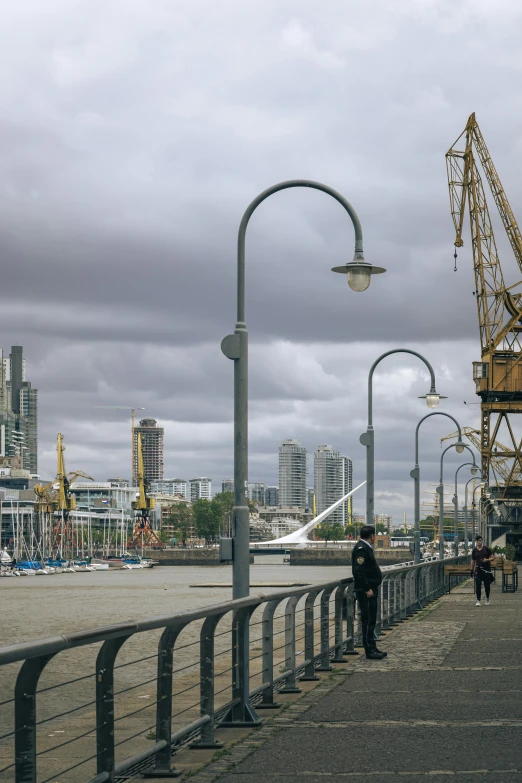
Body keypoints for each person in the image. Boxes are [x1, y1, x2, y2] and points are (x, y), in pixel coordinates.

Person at [352, 525, 387, 660]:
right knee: (367, 620)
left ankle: (372, 646)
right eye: (375, 535)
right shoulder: (362, 549)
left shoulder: (365, 548)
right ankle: (369, 650)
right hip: (366, 591)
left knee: (371, 619)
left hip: (370, 590)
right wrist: (367, 589)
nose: (375, 537)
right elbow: (358, 571)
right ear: (372, 536)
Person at [471, 535, 494, 606]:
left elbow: (492, 558)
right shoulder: (474, 551)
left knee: (487, 585)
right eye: (477, 540)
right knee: (478, 584)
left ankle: (487, 598)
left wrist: (486, 560)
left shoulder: (486, 549)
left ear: (482, 541)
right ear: (476, 542)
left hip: (486, 569)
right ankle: (478, 600)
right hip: (478, 569)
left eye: (480, 540)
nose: (479, 542)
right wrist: (472, 570)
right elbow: (473, 560)